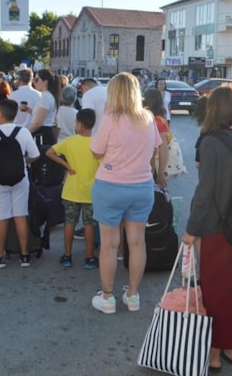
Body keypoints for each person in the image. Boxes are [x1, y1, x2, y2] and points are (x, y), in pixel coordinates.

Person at [182, 84, 232, 371]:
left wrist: (191, 229)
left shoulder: (211, 141)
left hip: (215, 228)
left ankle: (213, 353)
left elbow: (205, 192)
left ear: (212, 109)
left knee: (215, 291)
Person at [90, 73, 162, 314]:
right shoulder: (148, 118)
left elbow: (96, 150)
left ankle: (107, 297)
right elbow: (156, 148)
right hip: (141, 187)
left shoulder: (110, 119)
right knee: (137, 242)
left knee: (109, 245)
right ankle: (133, 295)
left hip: (110, 187)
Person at [0, 99, 40, 268]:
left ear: (0, 115)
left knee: (2, 217)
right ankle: (25, 255)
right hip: (21, 178)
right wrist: (23, 162)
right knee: (20, 215)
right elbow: (35, 155)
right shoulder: (23, 132)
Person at [46, 108, 100, 269]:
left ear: (80, 125)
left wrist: (67, 166)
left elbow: (49, 152)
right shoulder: (96, 144)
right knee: (89, 224)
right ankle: (89, 257)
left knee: (69, 222)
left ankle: (67, 256)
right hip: (91, 192)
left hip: (71, 191)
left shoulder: (70, 141)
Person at [142, 88, 169, 188]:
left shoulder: (152, 121)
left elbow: (162, 147)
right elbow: (163, 147)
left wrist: (160, 173)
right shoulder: (160, 120)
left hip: (149, 167)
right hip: (150, 168)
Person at [28, 68, 61, 146]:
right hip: (46, 133)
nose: (34, 82)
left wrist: (24, 133)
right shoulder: (48, 95)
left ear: (45, 81)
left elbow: (38, 123)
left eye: (36, 79)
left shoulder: (46, 97)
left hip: (42, 135)